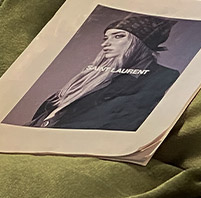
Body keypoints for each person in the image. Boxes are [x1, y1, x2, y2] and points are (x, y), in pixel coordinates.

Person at [29, 13, 180, 131]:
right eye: (106, 38)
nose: (105, 44)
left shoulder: (163, 76)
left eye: (118, 36)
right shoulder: (91, 76)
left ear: (140, 42)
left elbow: (119, 118)